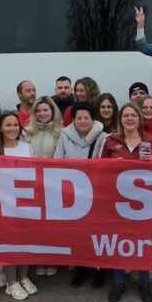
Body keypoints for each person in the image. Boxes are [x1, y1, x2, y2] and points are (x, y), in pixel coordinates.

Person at [100, 102, 152, 302]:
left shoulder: (151, 142)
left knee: (142, 243)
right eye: (125, 115)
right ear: (121, 119)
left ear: (139, 118)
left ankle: (144, 282)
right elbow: (98, 170)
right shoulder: (110, 141)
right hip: (116, 201)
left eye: (133, 115)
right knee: (119, 242)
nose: (129, 119)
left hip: (144, 204)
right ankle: (118, 282)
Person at [54, 102, 109, 288]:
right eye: (79, 118)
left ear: (92, 119)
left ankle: (99, 269)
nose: (83, 121)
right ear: (73, 119)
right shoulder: (64, 136)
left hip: (97, 194)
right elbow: (57, 162)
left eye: (86, 118)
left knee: (97, 233)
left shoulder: (104, 138)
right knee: (77, 234)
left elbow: (108, 166)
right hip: (72, 194)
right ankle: (81, 268)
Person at [0, 111, 37, 300]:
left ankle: (23, 277)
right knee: (11, 243)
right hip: (4, 205)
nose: (12, 129)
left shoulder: (27, 147)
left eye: (15, 125)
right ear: (0, 128)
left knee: (27, 241)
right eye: (8, 125)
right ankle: (11, 282)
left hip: (26, 202)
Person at [24, 96, 64, 277]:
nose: (42, 113)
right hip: (31, 183)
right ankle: (39, 257)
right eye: (38, 110)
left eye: (45, 110)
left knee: (52, 224)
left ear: (52, 112)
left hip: (53, 184)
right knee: (36, 223)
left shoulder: (61, 132)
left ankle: (52, 258)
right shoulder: (26, 132)